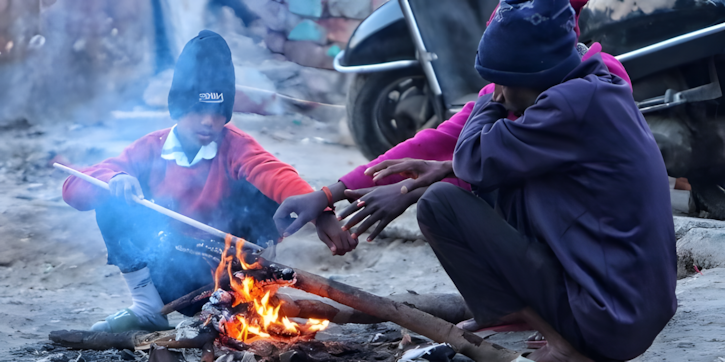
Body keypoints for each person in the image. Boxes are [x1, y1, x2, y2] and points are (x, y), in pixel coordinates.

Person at [414, 0, 677, 360]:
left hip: (608, 319)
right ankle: (545, 322)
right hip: (631, 310)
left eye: (503, 81)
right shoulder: (596, 85)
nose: (501, 91)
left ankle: (561, 343)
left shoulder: (570, 105)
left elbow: (470, 158)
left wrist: (492, 101)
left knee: (439, 204)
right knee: (503, 184)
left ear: (532, 77)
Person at [273, 0, 631, 254]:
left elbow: (502, 169)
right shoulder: (514, 88)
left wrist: (409, 192)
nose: (495, 92)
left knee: (457, 200)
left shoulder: (588, 94)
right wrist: (327, 195)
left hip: (606, 261)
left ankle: (553, 305)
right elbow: (438, 143)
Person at [62, 30, 347, 332]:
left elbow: (277, 174)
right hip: (171, 271)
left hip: (228, 274)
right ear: (179, 107)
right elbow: (73, 188)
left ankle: (243, 309)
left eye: (218, 112)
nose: (209, 122)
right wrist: (116, 179)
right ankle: (147, 309)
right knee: (110, 196)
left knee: (261, 191)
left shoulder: (236, 146)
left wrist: (322, 212)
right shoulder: (151, 148)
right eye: (199, 110)